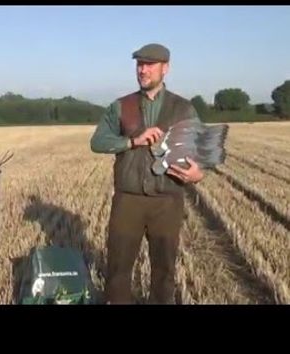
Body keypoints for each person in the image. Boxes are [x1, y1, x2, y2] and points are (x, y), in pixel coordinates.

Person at [90, 43, 204, 304]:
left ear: (166, 68)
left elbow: (200, 151)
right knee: (118, 269)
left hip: (167, 200)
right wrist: (132, 141)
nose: (143, 70)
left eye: (149, 64)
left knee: (164, 272)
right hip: (128, 200)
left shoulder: (184, 108)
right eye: (139, 64)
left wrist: (198, 173)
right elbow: (97, 142)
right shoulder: (121, 106)